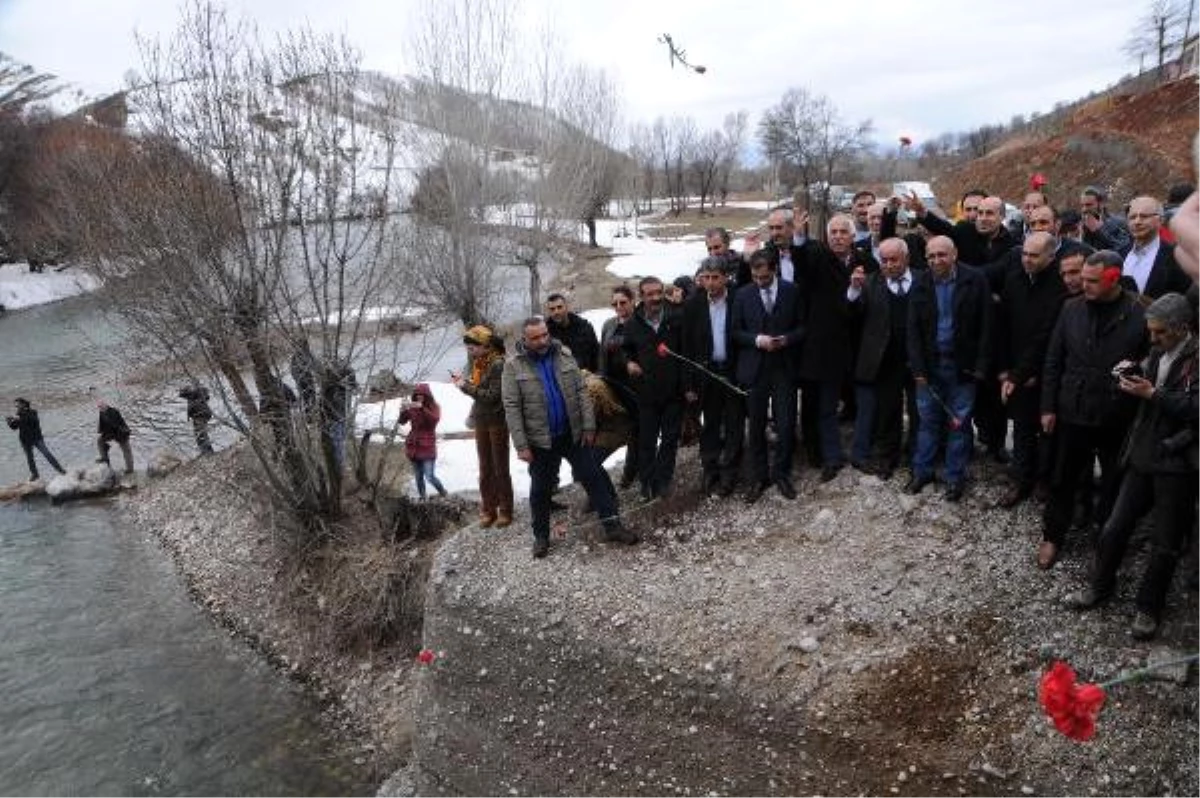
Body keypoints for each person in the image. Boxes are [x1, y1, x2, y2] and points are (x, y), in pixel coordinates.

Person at [1065, 293, 1200, 640]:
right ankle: (1099, 585)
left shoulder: (1196, 357)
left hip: (1177, 465)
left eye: (1159, 333)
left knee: (1165, 542)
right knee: (1114, 526)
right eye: (1150, 332)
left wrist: (1151, 394)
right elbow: (1150, 383)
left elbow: (1193, 407)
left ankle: (1148, 608)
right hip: (1143, 454)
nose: (1152, 339)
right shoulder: (1156, 351)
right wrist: (1132, 374)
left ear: (1182, 329)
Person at [1038, 250, 1148, 569]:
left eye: (1091, 281)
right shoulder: (1070, 308)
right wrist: (1048, 406)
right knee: (1063, 478)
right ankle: (1053, 535)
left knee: (1113, 480)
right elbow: (1054, 359)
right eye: (1081, 278)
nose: (1081, 285)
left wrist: (1137, 371)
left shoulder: (1140, 312)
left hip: (1117, 415)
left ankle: (1106, 536)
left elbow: (1152, 361)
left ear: (1114, 278)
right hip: (1073, 410)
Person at [502, 317, 638, 558]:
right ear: (525, 339)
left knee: (593, 477)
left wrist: (588, 426)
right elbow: (511, 407)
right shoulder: (513, 367)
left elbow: (581, 392)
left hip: (572, 434)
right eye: (535, 338)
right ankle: (541, 537)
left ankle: (613, 526)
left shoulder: (564, 355)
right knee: (540, 491)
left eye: (545, 335)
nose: (543, 340)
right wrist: (521, 445)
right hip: (540, 441)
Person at [905, 236, 993, 502]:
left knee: (959, 424)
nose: (935, 261)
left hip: (962, 367)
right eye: (931, 256)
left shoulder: (974, 280)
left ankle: (955, 478)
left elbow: (987, 326)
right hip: (930, 367)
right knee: (926, 422)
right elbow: (913, 331)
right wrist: (918, 368)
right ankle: (923, 471)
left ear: (954, 254)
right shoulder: (921, 282)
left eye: (941, 255)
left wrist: (980, 366)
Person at [730, 249, 805, 502]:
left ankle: (782, 473)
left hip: (784, 368)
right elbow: (735, 332)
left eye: (764, 277)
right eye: (755, 277)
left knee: (785, 424)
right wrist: (757, 340)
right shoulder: (742, 295)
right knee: (757, 426)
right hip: (755, 369)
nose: (759, 281)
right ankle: (758, 476)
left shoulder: (792, 290)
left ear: (774, 270)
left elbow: (803, 327)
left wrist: (787, 339)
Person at [847, 237, 918, 480]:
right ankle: (888, 457)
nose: (888, 265)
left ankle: (917, 457)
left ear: (906, 259)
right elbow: (853, 317)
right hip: (885, 360)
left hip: (917, 359)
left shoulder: (923, 279)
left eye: (893, 260)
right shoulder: (870, 283)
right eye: (884, 260)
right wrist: (854, 291)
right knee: (888, 411)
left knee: (919, 411)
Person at [682, 257, 743, 496]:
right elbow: (687, 346)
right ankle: (710, 468)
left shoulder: (738, 298)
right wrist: (688, 383)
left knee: (734, 422)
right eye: (706, 278)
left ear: (725, 277)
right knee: (711, 423)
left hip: (732, 370)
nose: (710, 283)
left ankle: (730, 471)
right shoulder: (693, 305)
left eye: (715, 277)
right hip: (706, 374)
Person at [622, 276, 686, 500]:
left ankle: (664, 480)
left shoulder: (677, 317)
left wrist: (687, 386)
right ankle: (647, 483)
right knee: (647, 441)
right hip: (646, 394)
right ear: (641, 296)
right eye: (650, 294)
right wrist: (629, 362)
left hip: (673, 392)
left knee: (670, 439)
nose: (656, 297)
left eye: (659, 292)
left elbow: (686, 353)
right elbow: (625, 350)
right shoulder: (632, 324)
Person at [452, 326, 514, 528]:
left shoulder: (498, 364)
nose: (470, 352)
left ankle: (505, 509)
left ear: (486, 346)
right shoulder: (479, 363)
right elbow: (480, 390)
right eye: (469, 348)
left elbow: (492, 396)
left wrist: (466, 386)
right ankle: (488, 509)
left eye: (472, 348)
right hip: (481, 420)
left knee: (500, 468)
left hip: (497, 421)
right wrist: (465, 384)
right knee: (485, 468)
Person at [598, 286, 639, 488]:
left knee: (637, 432)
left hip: (636, 387)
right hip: (613, 386)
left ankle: (630, 473)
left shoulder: (639, 323)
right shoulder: (608, 325)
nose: (618, 307)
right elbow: (602, 354)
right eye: (614, 303)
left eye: (623, 302)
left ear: (632, 301)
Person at [1122, 195, 1192, 299]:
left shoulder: (1176, 258)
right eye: (1132, 217)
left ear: (1160, 220)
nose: (1137, 222)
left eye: (1144, 216)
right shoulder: (1119, 254)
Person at [398, 384, 448, 500]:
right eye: (417, 395)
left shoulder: (434, 407)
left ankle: (443, 491)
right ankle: (423, 497)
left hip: (427, 447)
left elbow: (434, 420)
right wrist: (402, 410)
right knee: (418, 477)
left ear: (427, 396)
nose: (419, 397)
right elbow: (402, 421)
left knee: (429, 476)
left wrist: (422, 408)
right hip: (414, 446)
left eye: (422, 395)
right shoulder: (412, 407)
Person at [6, 398, 66, 482]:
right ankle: (35, 475)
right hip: (25, 440)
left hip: (36, 438)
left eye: (18, 404)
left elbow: (32, 421)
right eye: (16, 405)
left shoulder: (33, 412)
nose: (16, 406)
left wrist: (18, 418)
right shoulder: (18, 414)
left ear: (24, 404)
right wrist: (9, 422)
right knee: (30, 458)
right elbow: (14, 427)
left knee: (47, 454)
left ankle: (61, 471)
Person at [544, 293, 600, 372]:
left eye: (559, 307)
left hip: (586, 376)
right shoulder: (545, 333)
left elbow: (596, 353)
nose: (556, 312)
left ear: (566, 307)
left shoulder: (584, 327)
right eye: (552, 309)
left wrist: (596, 374)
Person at [320, 359, 357, 469]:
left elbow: (352, 386)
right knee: (337, 441)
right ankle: (338, 465)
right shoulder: (331, 388)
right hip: (334, 418)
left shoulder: (338, 387)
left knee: (339, 441)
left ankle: (339, 464)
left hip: (339, 416)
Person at [1079, 186, 1132, 256]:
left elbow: (1124, 249)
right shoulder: (1082, 225)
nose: (1084, 209)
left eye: (1089, 205)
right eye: (1082, 205)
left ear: (1101, 204)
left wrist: (1099, 231)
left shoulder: (1118, 223)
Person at [96, 398, 134, 474]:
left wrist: (109, 438)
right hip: (111, 433)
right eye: (99, 407)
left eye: (101, 406)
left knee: (127, 451)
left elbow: (115, 426)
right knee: (100, 441)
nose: (100, 408)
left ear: (106, 405)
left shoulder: (114, 412)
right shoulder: (102, 412)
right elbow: (102, 424)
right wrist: (101, 433)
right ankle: (105, 458)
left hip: (121, 433)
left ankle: (130, 469)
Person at [178, 382, 215, 455]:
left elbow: (198, 402)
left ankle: (208, 452)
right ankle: (205, 451)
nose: (184, 398)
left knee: (201, 433)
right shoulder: (193, 395)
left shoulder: (195, 394)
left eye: (184, 396)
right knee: (199, 434)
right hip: (200, 415)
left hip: (201, 415)